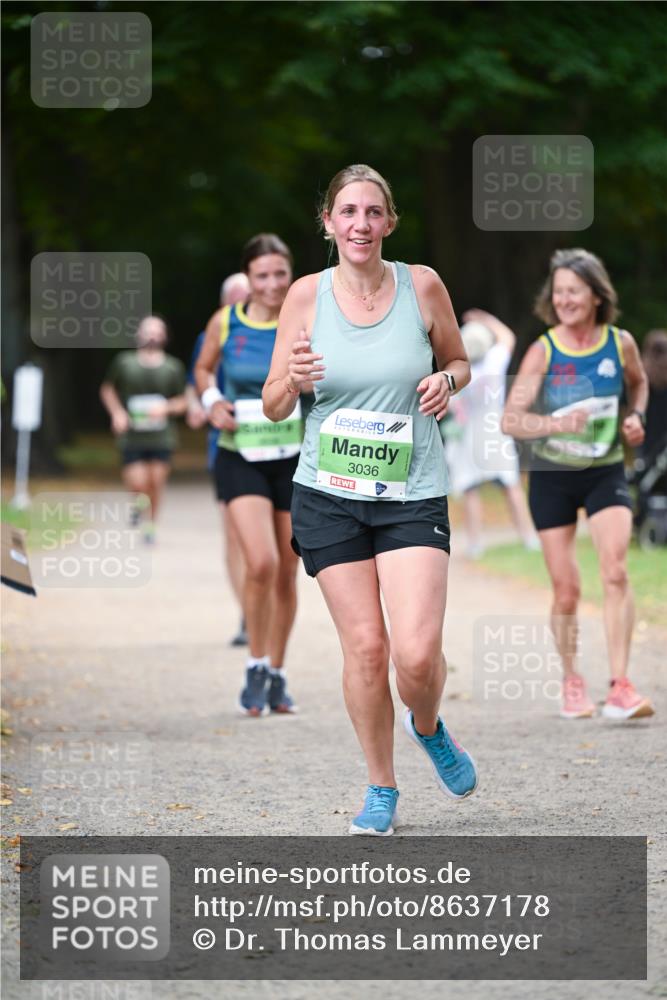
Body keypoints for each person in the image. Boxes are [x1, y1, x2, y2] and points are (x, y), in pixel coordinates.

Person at [263, 164, 478, 836]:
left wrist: (447, 380)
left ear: (389, 222)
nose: (359, 224)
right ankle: (380, 788)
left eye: (372, 213)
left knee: (415, 656)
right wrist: (292, 381)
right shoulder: (304, 296)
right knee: (365, 649)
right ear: (326, 222)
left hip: (410, 489)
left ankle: (428, 723)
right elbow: (272, 405)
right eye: (347, 212)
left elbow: (459, 361)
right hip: (328, 494)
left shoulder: (421, 285)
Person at [502, 248, 654, 721]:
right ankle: (572, 683)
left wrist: (636, 417)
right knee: (566, 589)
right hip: (553, 478)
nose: (565, 299)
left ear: (595, 295)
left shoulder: (620, 342)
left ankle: (621, 685)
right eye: (559, 291)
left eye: (574, 291)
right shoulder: (544, 349)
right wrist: (557, 426)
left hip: (605, 470)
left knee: (615, 571)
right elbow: (511, 419)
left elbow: (640, 384)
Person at [195, 235, 302, 716]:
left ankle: (277, 673)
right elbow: (202, 370)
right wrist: (211, 401)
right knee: (260, 562)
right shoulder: (226, 321)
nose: (273, 283)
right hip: (241, 455)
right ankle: (255, 662)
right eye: (263, 275)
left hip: (296, 458)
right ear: (248, 278)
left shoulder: (307, 320)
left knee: (287, 569)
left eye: (281, 273)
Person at [443, 309, 538, 558]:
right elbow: (507, 337)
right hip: (495, 431)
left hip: (469, 437)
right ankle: (528, 537)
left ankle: (476, 544)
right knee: (511, 485)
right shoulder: (494, 362)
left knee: (471, 489)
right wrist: (486, 319)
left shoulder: (461, 374)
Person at [186, 272, 250, 645]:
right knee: (234, 533)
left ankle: (262, 605)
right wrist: (201, 404)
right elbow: (198, 376)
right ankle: (247, 612)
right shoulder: (211, 334)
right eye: (237, 298)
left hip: (277, 441)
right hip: (226, 442)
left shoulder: (280, 326)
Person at [100, 315, 187, 542]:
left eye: (157, 331)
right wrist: (117, 413)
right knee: (138, 483)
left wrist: (166, 408)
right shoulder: (124, 362)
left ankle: (151, 526)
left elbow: (183, 401)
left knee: (155, 483)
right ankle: (138, 505)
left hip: (162, 436)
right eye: (147, 330)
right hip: (132, 436)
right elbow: (108, 390)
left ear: (165, 336)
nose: (152, 335)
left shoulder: (173, 366)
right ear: (138, 334)